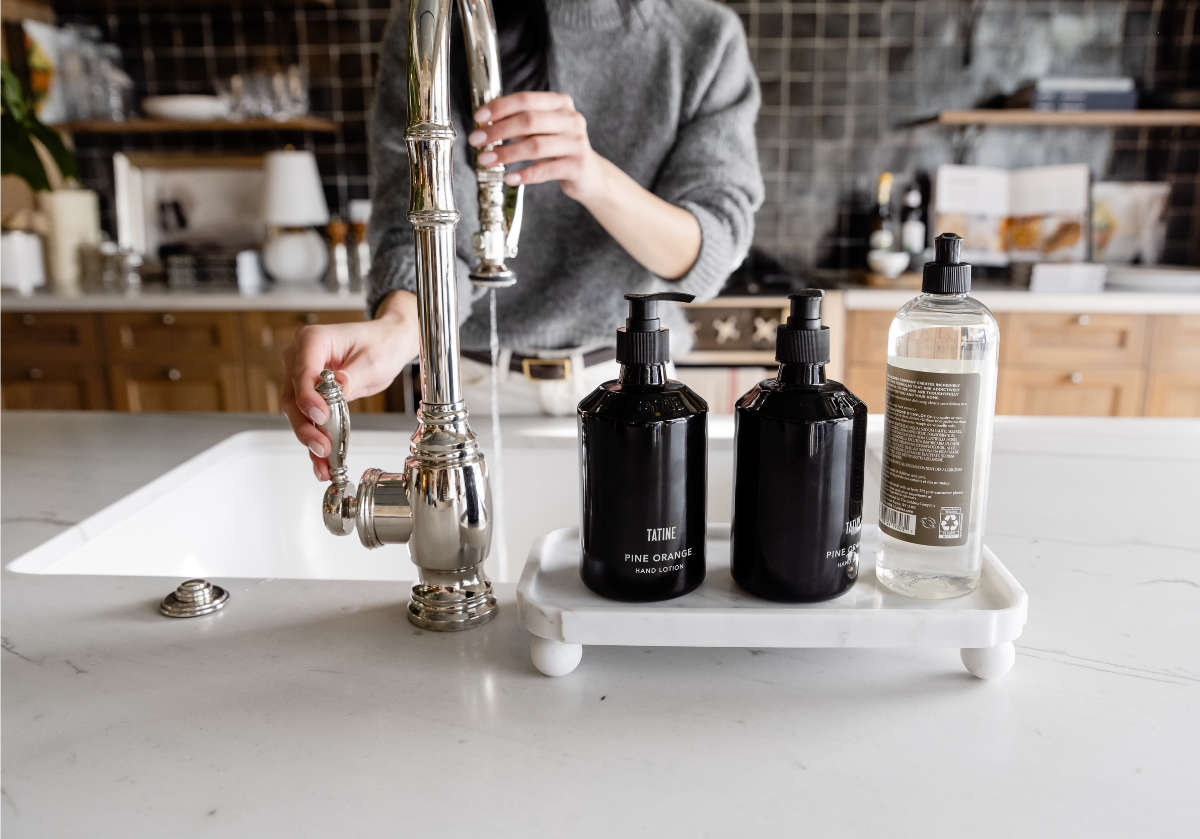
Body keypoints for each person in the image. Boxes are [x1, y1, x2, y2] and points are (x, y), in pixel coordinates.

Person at [284, 0, 763, 481]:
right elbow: (425, 231)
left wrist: (591, 175)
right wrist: (396, 333)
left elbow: (710, 253)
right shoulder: (438, 17)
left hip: (636, 390)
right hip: (472, 386)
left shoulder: (703, 36)